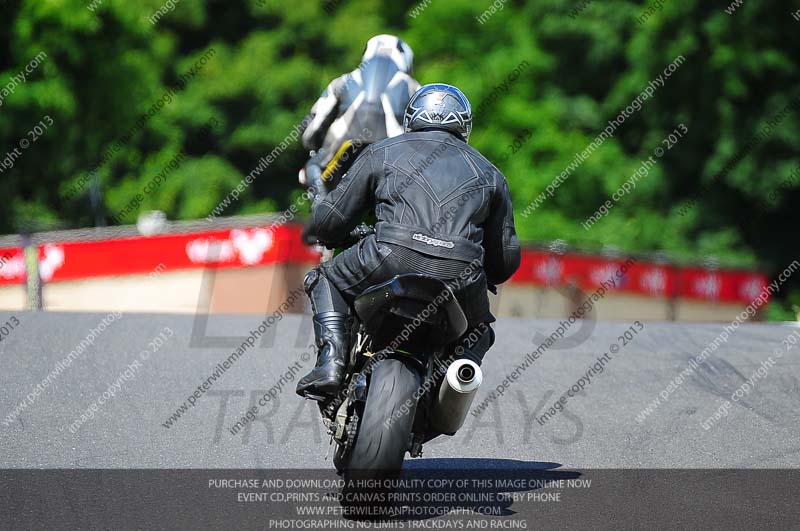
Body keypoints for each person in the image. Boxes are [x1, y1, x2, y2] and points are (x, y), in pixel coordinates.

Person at [296, 83, 521, 399]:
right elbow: (505, 261)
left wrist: (334, 231)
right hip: (460, 273)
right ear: (465, 125)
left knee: (324, 278)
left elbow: (329, 221)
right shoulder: (491, 173)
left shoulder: (381, 151)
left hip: (387, 255)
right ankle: (456, 378)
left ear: (410, 117)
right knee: (479, 329)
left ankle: (330, 363)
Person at [300, 34, 420, 195]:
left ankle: (320, 208)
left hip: (340, 153)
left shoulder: (343, 81)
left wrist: (314, 147)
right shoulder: (415, 88)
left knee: (311, 168)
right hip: (394, 160)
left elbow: (312, 128)